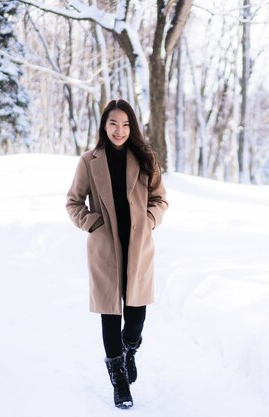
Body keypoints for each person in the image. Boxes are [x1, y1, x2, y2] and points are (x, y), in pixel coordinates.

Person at [66, 99, 168, 409]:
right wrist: (92, 223)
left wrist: (149, 220)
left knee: (135, 316)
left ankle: (129, 352)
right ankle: (119, 380)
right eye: (113, 124)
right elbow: (73, 202)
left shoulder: (146, 158)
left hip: (138, 248)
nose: (119, 130)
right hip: (105, 249)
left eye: (125, 124)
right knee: (110, 314)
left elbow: (160, 200)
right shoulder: (89, 161)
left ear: (132, 127)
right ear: (104, 126)